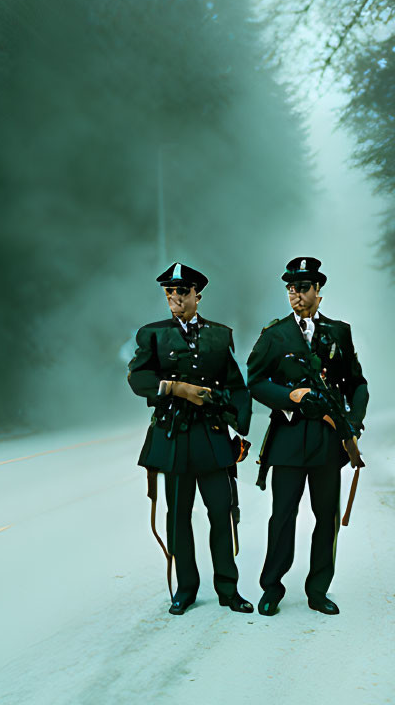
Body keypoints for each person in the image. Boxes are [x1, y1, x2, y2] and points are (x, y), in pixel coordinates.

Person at [127, 261, 254, 615]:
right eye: (170, 292)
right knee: (178, 515)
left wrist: (239, 427)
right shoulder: (152, 334)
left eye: (182, 292)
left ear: (198, 294)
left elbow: (236, 386)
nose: (175, 299)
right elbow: (138, 379)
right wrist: (175, 387)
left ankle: (228, 588)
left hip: (212, 436)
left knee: (221, 513)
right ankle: (185, 589)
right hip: (175, 436)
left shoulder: (219, 334)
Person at [245, 256, 369, 616]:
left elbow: (356, 384)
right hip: (288, 436)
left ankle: (318, 590)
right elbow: (255, 381)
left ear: (318, 291)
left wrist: (352, 421)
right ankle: (272, 588)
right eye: (290, 289)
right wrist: (290, 397)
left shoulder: (338, 332)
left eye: (302, 288)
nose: (295, 295)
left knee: (326, 516)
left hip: (328, 441)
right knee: (282, 515)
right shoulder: (274, 335)